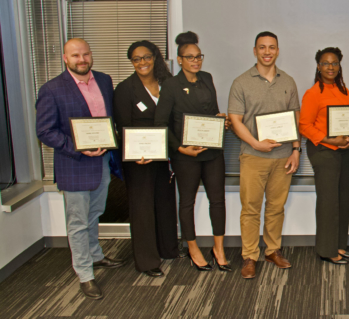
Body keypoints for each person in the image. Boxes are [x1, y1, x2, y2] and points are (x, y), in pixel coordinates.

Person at [36, 38, 126, 300]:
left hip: (103, 161)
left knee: (95, 212)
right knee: (77, 221)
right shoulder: (52, 89)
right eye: (75, 55)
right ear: (65, 58)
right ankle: (85, 275)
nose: (81, 59)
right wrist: (77, 147)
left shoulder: (104, 80)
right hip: (74, 164)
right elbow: (44, 131)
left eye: (85, 54)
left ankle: (96, 256)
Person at [154, 31, 231, 273]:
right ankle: (193, 248)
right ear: (179, 60)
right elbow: (160, 124)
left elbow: (213, 111)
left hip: (212, 152)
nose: (196, 61)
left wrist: (221, 120)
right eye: (190, 57)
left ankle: (218, 248)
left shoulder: (207, 78)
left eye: (199, 56)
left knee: (217, 201)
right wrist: (180, 148)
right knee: (187, 202)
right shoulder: (170, 85)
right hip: (185, 156)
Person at [228, 31, 301, 279]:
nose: (267, 52)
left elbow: (295, 120)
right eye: (262, 47)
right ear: (255, 50)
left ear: (278, 51)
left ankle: (272, 250)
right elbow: (235, 121)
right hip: (252, 156)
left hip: (282, 157)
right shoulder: (240, 82)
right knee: (250, 208)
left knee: (276, 207)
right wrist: (255, 143)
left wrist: (295, 150)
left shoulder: (288, 82)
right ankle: (250, 256)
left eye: (272, 47)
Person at [113, 41, 180, 277]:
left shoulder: (167, 83)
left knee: (164, 202)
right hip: (139, 159)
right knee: (142, 208)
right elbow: (122, 126)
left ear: (155, 58)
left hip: (163, 156)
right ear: (132, 62)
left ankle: (168, 249)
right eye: (137, 59)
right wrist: (134, 154)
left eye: (147, 57)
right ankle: (147, 260)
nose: (142, 63)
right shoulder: (125, 89)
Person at [299, 47, 349, 265]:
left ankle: (339, 245)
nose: (330, 67)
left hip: (344, 150)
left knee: (342, 197)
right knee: (328, 200)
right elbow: (304, 125)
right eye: (325, 63)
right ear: (318, 66)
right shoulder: (313, 93)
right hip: (324, 151)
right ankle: (327, 250)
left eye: (334, 63)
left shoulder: (344, 91)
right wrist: (329, 139)